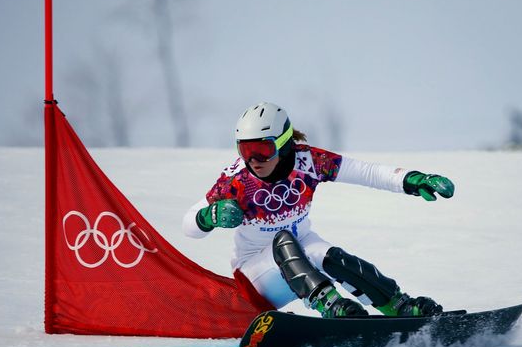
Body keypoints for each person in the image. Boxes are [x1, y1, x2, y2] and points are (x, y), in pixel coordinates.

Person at [183, 102, 455, 318]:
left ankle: (397, 305)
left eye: (263, 148)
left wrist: (410, 179)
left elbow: (366, 172)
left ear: (284, 141)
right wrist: (210, 216)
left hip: (303, 256)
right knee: (285, 241)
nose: (254, 159)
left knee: (331, 256)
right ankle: (330, 304)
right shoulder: (237, 180)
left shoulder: (309, 161)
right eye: (245, 149)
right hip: (256, 278)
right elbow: (189, 226)